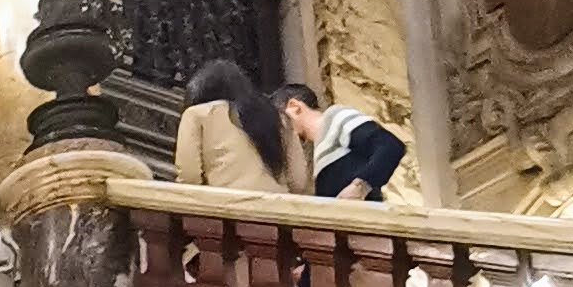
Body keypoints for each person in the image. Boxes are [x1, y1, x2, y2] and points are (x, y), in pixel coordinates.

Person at [173, 54, 305, 193]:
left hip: (227, 207)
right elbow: (298, 181)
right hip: (277, 208)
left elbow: (189, 176)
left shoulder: (197, 115)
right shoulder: (279, 117)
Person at [278, 77, 407, 200]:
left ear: (294, 107)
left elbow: (389, 145)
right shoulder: (318, 150)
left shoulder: (335, 117)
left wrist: (359, 188)